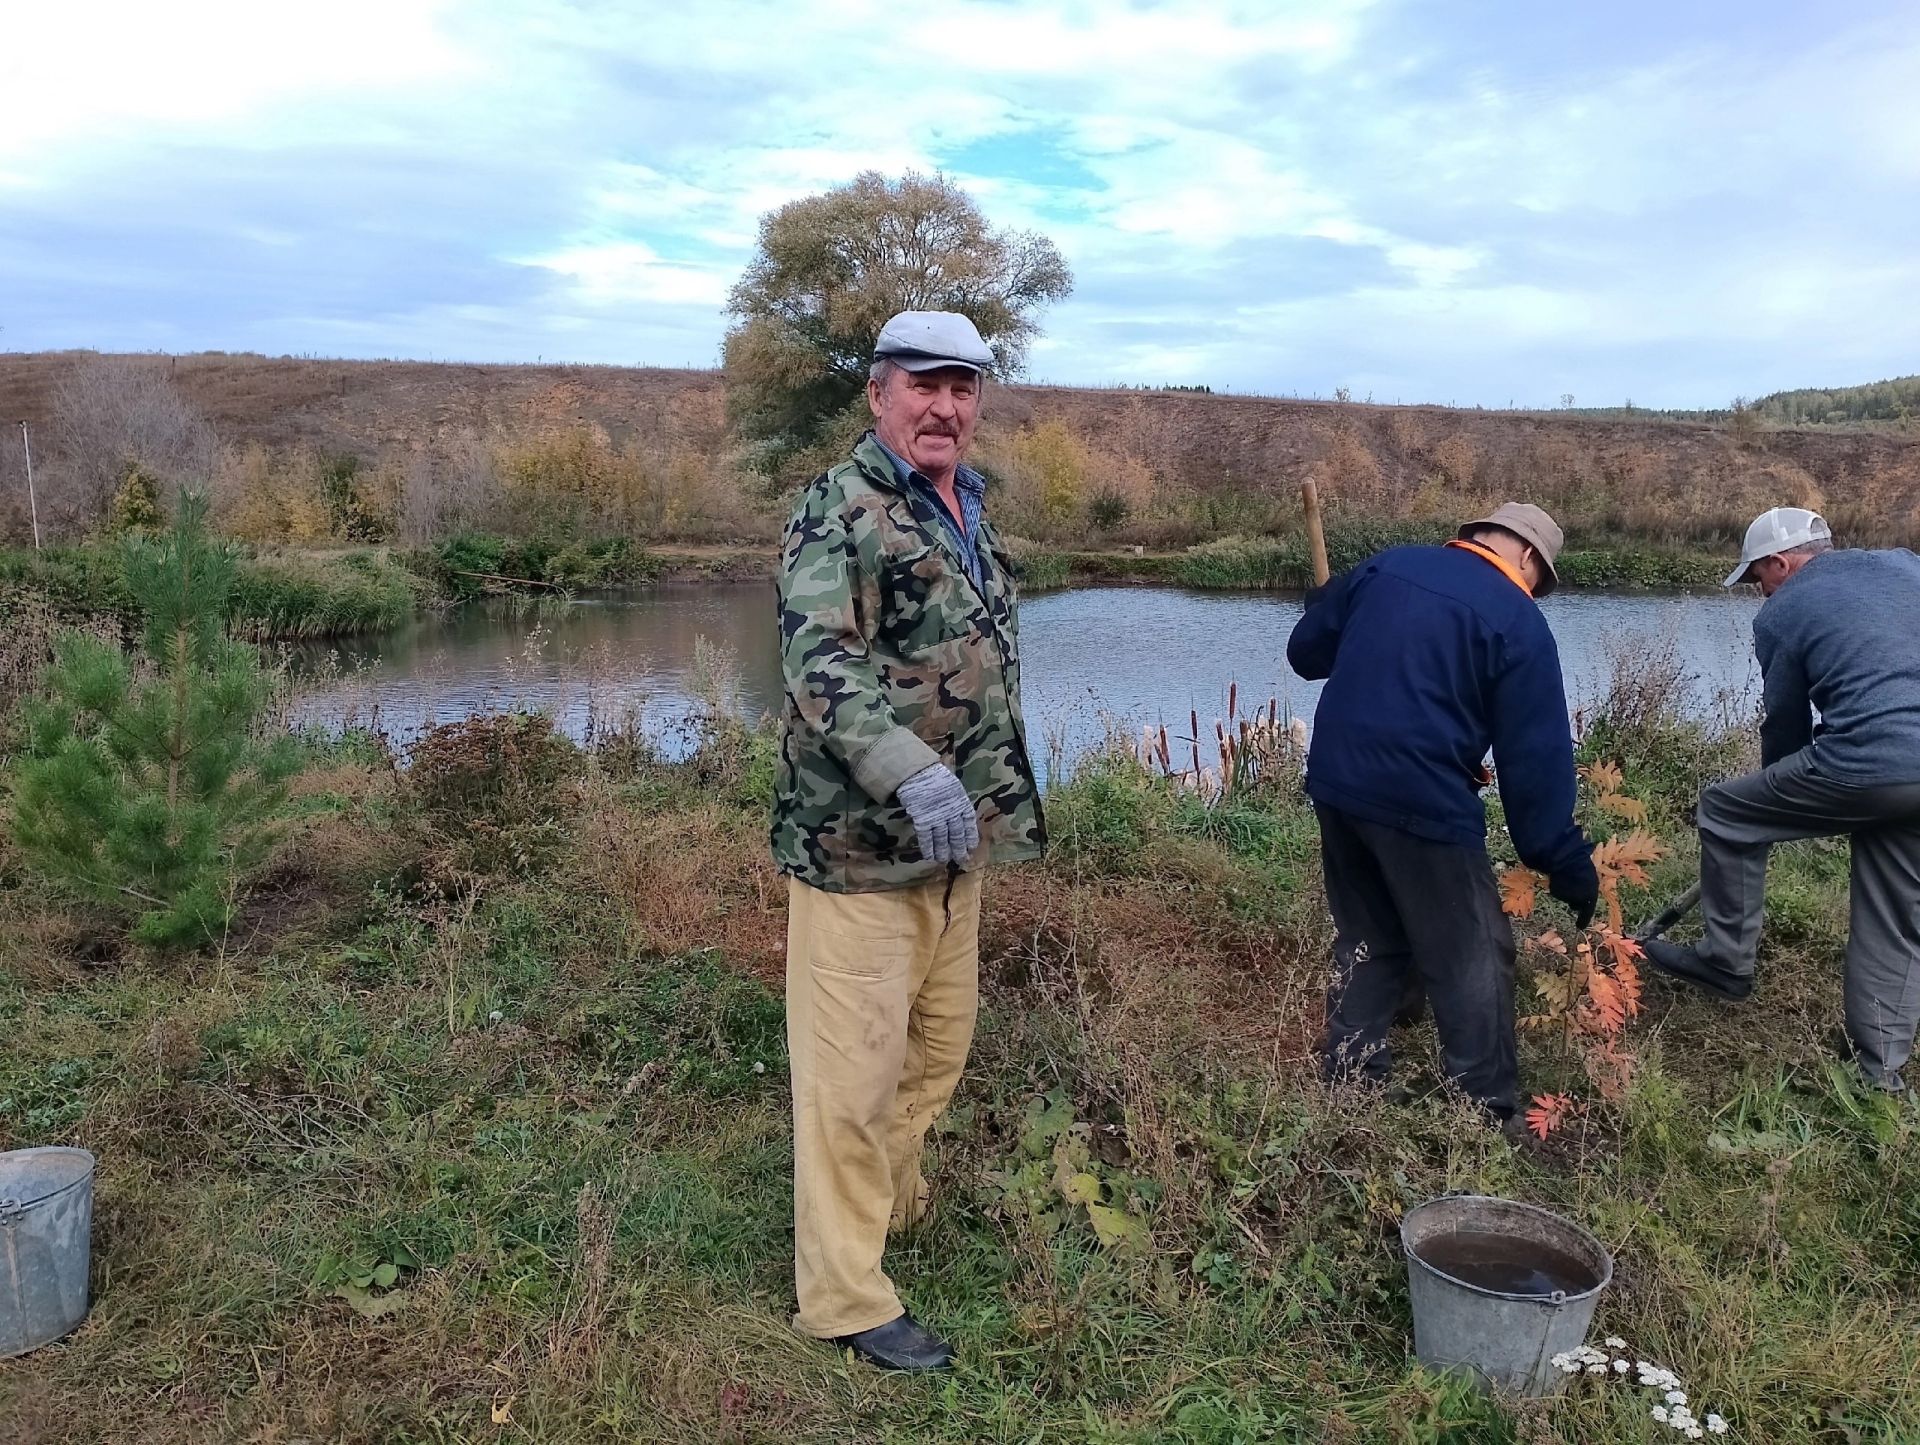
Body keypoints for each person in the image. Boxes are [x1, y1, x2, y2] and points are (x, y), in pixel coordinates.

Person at [771, 310, 1046, 1371]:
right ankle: (842, 1294)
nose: (944, 406)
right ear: (878, 396)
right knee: (850, 1076)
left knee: (936, 1050)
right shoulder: (836, 508)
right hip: (861, 847)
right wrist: (910, 769)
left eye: (962, 387)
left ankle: (877, 1210)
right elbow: (821, 668)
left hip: (956, 847)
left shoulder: (961, 505)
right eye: (923, 386)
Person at [1287, 504, 1598, 1123]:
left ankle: (1352, 1081)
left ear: (1476, 537)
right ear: (1529, 558)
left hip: (1337, 782)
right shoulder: (1520, 623)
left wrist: (1324, 606)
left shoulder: (1387, 567)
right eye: (1540, 580)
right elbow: (1532, 764)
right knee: (1473, 951)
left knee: (1370, 934)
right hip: (1421, 795)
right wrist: (1562, 857)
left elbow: (1306, 654)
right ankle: (1483, 1113)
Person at [1641, 508, 1920, 1090]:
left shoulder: (1784, 611)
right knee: (1895, 914)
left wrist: (1774, 810)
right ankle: (1878, 1075)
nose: (1758, 592)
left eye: (1756, 579)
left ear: (1780, 563)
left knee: (1725, 810)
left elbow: (1785, 727)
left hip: (1873, 757)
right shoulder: (1905, 566)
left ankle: (1725, 962)